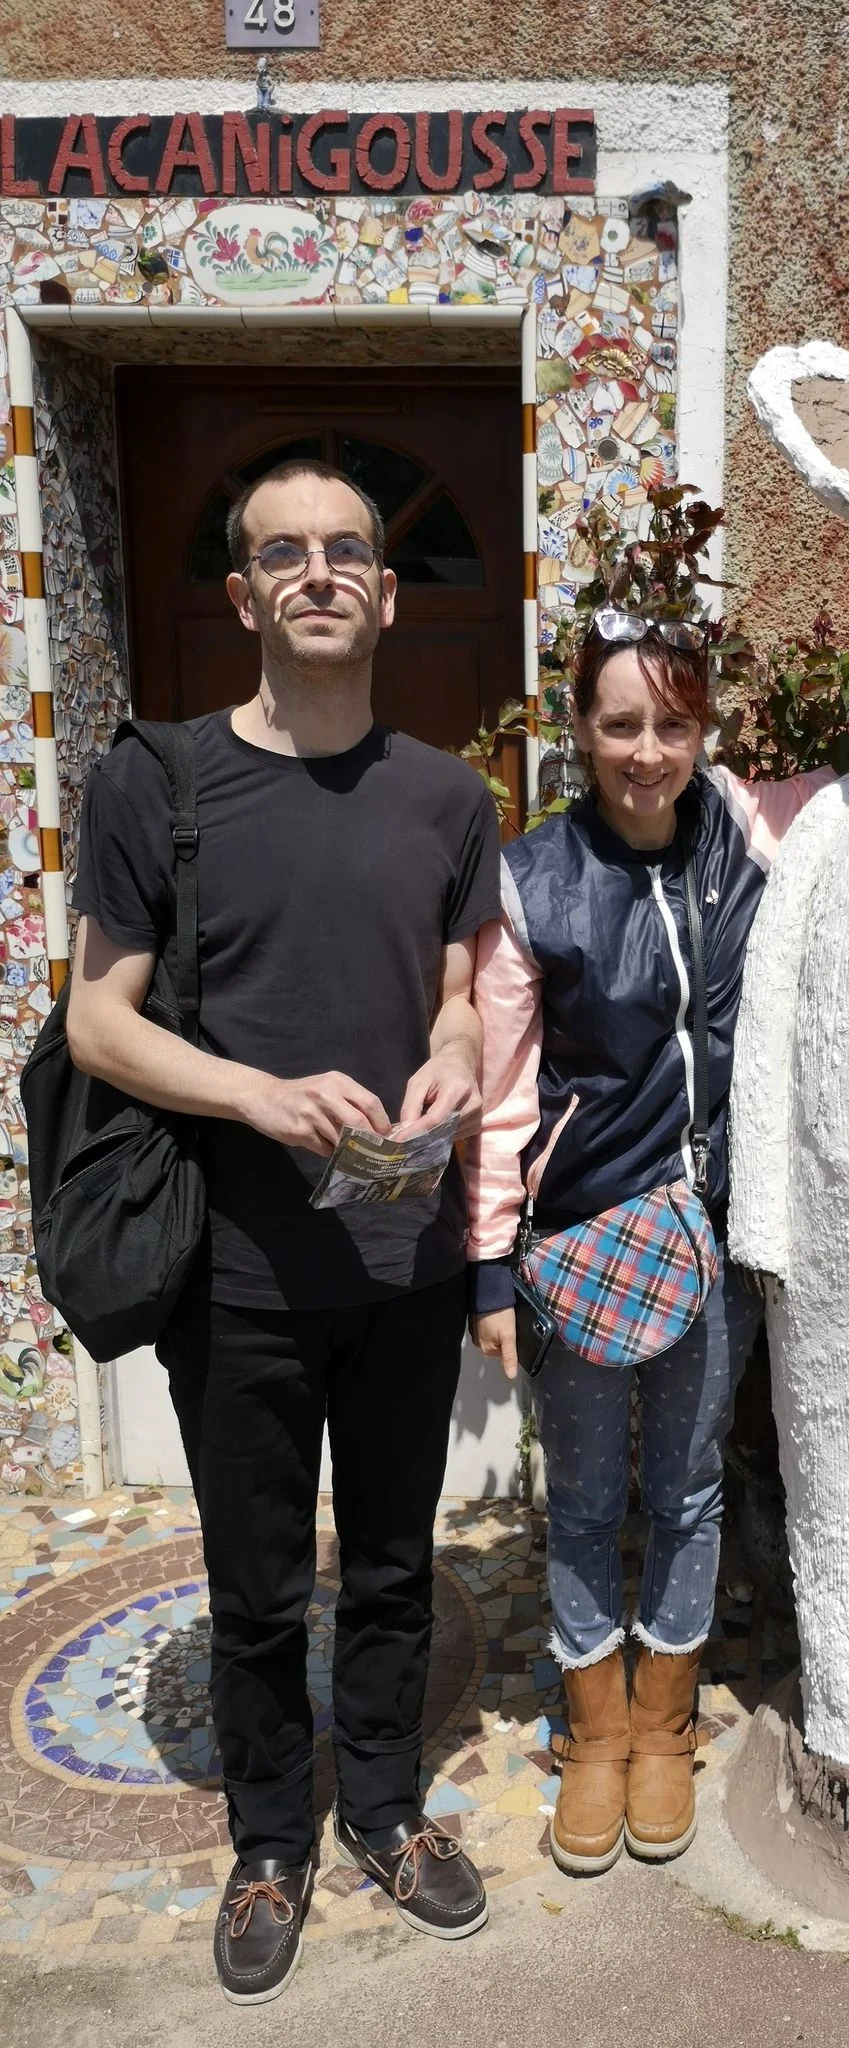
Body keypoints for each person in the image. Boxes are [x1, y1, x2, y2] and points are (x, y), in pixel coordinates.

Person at [67, 458, 500, 2004]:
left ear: (385, 593)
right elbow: (97, 1026)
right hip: (235, 1275)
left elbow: (454, 989)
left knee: (390, 1561)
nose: (319, 575)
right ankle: (270, 1839)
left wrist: (452, 1055)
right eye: (283, 555)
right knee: (257, 1581)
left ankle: (382, 1809)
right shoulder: (159, 782)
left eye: (348, 553)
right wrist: (256, 1093)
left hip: (407, 1261)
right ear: (245, 596)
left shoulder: (453, 797)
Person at [467, 608, 831, 1875]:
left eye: (672, 723)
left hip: (715, 1231)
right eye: (620, 722)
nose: (646, 750)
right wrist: (490, 1264)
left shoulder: (738, 829)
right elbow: (504, 1091)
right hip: (578, 1240)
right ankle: (596, 1730)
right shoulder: (534, 883)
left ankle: (666, 1727)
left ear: (703, 733)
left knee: (687, 1488)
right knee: (585, 1500)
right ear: (577, 729)